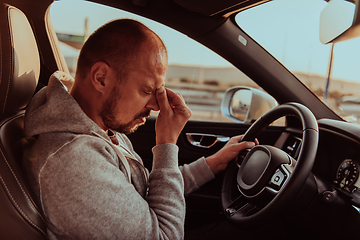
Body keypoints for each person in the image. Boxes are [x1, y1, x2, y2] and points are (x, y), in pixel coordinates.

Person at [23, 19, 256, 239]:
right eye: (147, 90)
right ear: (101, 78)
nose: (156, 105)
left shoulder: (99, 129)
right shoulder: (72, 162)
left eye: (159, 92)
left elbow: (148, 191)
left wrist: (214, 163)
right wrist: (166, 142)